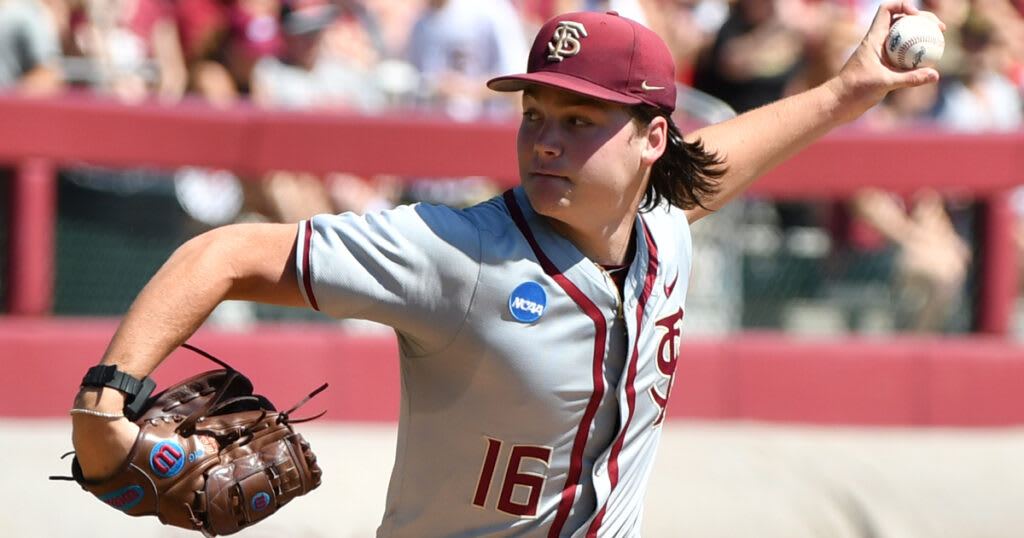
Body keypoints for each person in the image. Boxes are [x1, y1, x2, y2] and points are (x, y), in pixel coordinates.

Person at [70, 4, 943, 536]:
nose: (546, 138)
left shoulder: (664, 224)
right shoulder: (452, 251)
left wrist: (843, 94)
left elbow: (715, 161)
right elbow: (220, 252)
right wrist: (103, 401)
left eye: (579, 118)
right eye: (536, 112)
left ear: (649, 140)